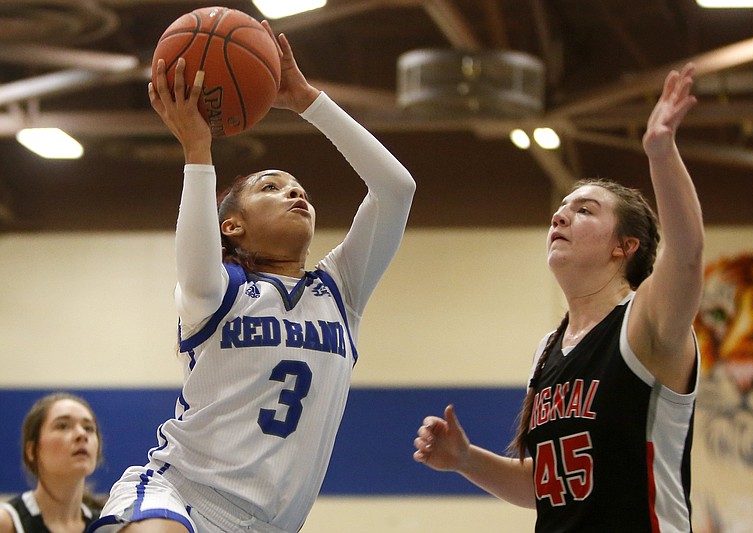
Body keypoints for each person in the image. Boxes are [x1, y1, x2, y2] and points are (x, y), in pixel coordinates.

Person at [88, 22, 415, 533]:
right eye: (272, 186)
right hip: (181, 495)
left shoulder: (340, 291)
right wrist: (198, 150)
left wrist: (308, 101)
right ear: (231, 225)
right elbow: (194, 264)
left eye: (299, 189)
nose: (295, 193)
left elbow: (396, 189)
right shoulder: (218, 292)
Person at [413, 63, 702, 532]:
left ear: (624, 246)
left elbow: (688, 254)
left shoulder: (645, 323)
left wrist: (661, 154)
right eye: (560, 210)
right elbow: (546, 488)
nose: (560, 218)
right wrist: (467, 459)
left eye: (583, 210)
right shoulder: (549, 350)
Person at [0, 392, 104, 533]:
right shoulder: (7, 522)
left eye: (89, 428)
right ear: (32, 450)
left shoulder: (106, 527)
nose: (82, 434)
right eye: (63, 426)